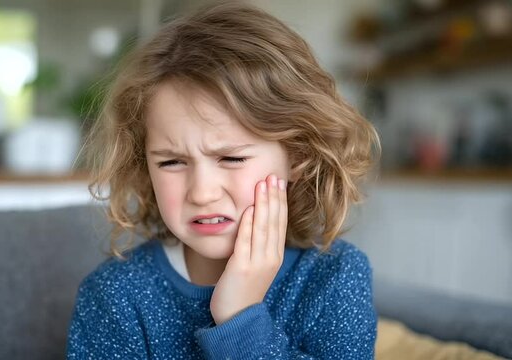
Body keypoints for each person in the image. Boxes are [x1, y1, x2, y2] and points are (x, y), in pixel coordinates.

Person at [66, 2, 381, 359]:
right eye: (171, 162)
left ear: (298, 157)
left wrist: (240, 317)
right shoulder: (113, 295)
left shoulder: (334, 277)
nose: (202, 193)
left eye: (231, 158)